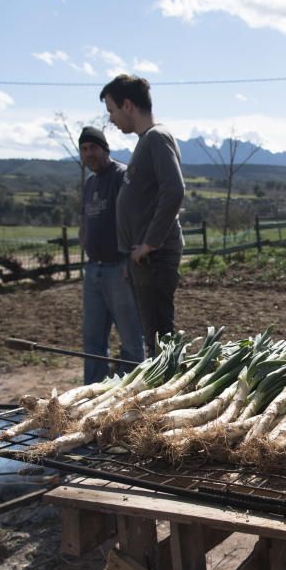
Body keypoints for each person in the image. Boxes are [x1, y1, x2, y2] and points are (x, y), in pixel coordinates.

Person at [99, 74, 186, 357]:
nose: (111, 118)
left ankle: (167, 393)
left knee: (160, 340)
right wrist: (131, 255)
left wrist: (150, 243)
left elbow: (174, 189)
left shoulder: (157, 138)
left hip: (155, 258)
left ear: (127, 105)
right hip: (142, 260)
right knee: (154, 338)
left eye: (111, 110)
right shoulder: (146, 141)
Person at [78, 125, 145, 383]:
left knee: (130, 337)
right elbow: (85, 219)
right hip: (93, 268)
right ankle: (92, 393)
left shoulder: (122, 176)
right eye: (84, 149)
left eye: (93, 147)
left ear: (105, 149)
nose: (88, 154)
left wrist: (131, 259)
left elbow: (136, 218)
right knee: (93, 339)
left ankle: (131, 391)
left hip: (119, 268)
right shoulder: (90, 183)